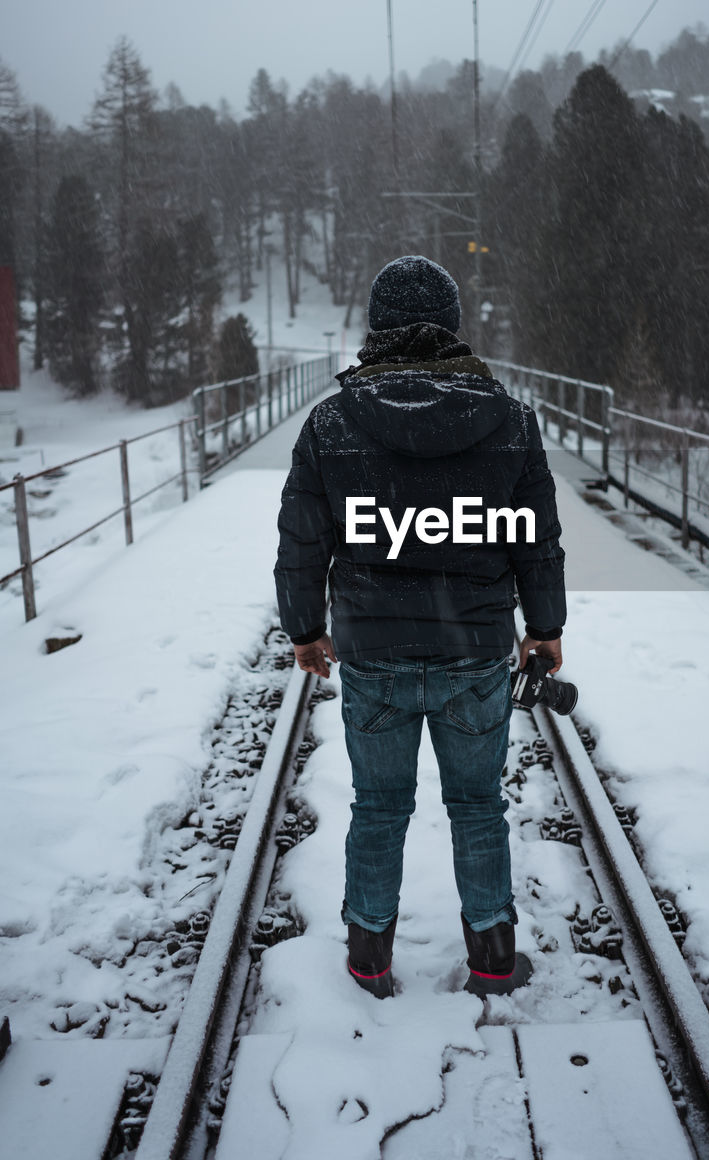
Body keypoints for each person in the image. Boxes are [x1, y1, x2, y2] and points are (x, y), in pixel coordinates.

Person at [275, 255, 565, 999]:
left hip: (373, 651)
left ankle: (369, 960)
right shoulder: (510, 418)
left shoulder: (333, 421)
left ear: (377, 327)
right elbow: (535, 538)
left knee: (378, 807)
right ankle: (494, 961)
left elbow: (304, 538)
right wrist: (544, 626)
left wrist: (307, 630)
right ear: (453, 325)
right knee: (477, 807)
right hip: (472, 648)